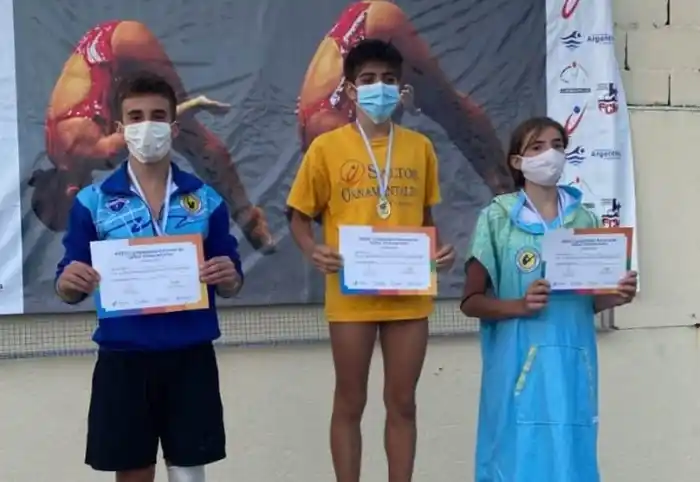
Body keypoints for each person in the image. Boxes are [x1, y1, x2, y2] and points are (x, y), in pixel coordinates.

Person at [54, 73, 243, 482]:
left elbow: (231, 275)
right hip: (124, 358)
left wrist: (229, 276)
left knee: (189, 472)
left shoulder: (206, 200)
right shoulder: (93, 202)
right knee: (134, 473)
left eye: (157, 116)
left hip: (190, 356)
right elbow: (68, 278)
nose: (146, 126)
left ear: (173, 128)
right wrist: (69, 282)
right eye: (135, 117)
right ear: (120, 129)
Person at [287, 38, 456, 482]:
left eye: (388, 79)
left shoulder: (420, 147)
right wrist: (312, 249)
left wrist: (439, 252)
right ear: (349, 89)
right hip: (351, 296)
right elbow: (298, 216)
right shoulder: (326, 148)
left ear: (401, 88)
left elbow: (425, 219)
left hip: (408, 297)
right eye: (367, 79)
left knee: (403, 403)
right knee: (350, 401)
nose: (378, 87)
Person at [460, 116, 638, 482]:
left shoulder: (584, 218)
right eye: (537, 147)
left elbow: (588, 301)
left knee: (571, 456)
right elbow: (471, 301)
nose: (550, 155)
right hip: (517, 362)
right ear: (517, 161)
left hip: (573, 360)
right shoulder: (498, 218)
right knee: (517, 456)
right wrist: (519, 306)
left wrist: (615, 296)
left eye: (558, 146)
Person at [35, 19, 274, 252]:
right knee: (170, 137)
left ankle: (247, 216)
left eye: (77, 214)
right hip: (101, 43)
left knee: (191, 140)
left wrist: (190, 107)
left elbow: (151, 129)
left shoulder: (92, 153)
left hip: (124, 47)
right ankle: (245, 214)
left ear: (72, 194)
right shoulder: (55, 150)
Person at [296, 0, 513, 195]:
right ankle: (505, 191)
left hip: (376, 25)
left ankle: (507, 192)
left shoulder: (330, 131)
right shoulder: (327, 139)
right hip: (356, 39)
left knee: (449, 109)